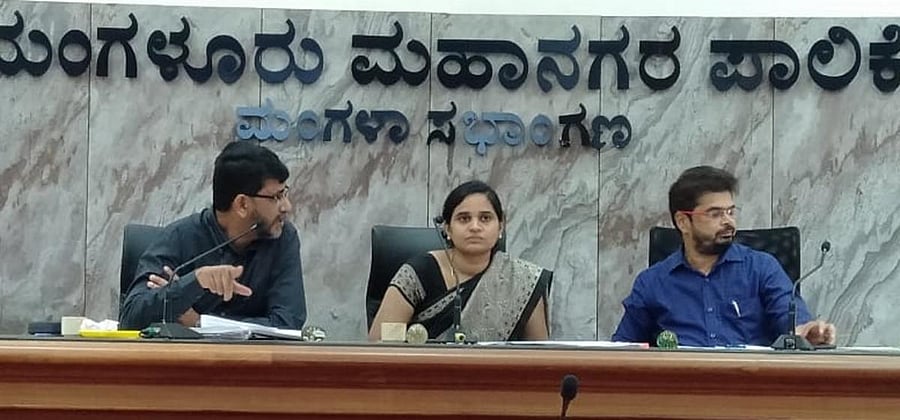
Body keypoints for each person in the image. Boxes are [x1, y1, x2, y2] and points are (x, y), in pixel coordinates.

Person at [612, 166, 836, 347]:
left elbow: (792, 324)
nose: (729, 221)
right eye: (716, 214)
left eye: (731, 211)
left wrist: (805, 333)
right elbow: (622, 351)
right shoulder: (652, 283)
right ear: (683, 222)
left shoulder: (761, 268)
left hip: (752, 389)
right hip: (680, 393)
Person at [120, 141, 306, 330]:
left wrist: (201, 323)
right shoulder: (180, 237)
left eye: (285, 193)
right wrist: (194, 282)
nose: (287, 207)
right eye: (277, 197)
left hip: (252, 360)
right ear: (242, 204)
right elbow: (130, 318)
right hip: (186, 360)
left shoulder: (283, 238)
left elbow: (288, 324)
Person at [368, 180, 551, 342]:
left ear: (500, 226)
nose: (475, 227)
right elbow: (382, 345)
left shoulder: (523, 281)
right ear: (447, 228)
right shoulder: (416, 273)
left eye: (485, 218)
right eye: (464, 219)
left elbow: (538, 356)